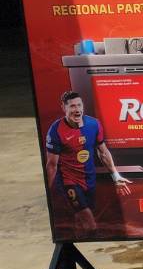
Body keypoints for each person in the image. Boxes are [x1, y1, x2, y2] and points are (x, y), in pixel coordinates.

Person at [44, 90, 131, 235]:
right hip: (68, 181)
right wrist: (47, 192)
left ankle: (71, 239)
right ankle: (95, 240)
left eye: (79, 105)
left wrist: (116, 176)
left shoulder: (94, 124)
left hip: (89, 180)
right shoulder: (56, 130)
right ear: (64, 108)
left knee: (80, 219)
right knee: (90, 222)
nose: (77, 109)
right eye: (72, 106)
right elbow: (52, 165)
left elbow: (103, 152)